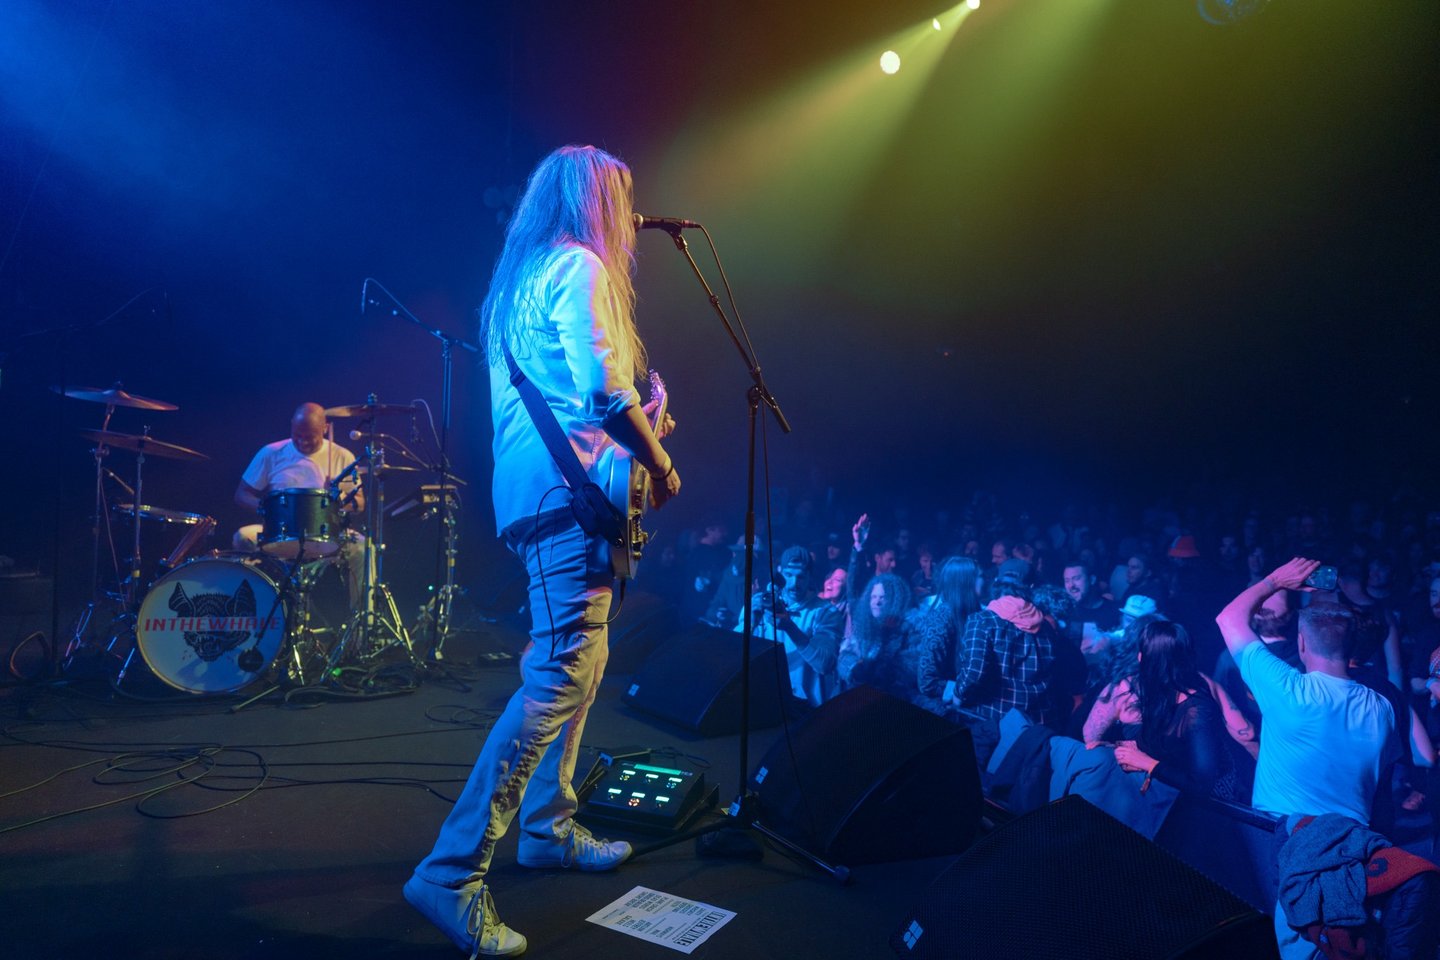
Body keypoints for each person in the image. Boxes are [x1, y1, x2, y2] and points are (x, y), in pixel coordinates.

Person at [404, 145, 681, 958]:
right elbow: (603, 393)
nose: (631, 218)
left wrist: (638, 430)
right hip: (566, 499)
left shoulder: (517, 285)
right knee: (561, 672)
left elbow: (566, 401)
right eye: (622, 200)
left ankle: (547, 828)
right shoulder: (580, 267)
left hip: (539, 493)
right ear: (596, 202)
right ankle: (450, 873)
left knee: (582, 664)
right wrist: (661, 461)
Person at [1216, 558, 1404, 960]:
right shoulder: (1382, 708)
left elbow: (1228, 618)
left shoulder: (1288, 690)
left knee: (1301, 947)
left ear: (1301, 644)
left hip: (1293, 845)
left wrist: (1275, 580)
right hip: (1354, 848)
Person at [1083, 620, 1251, 802]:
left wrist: (1146, 762)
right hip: (1163, 790)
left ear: (1141, 658)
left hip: (1208, 802)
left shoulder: (1196, 708)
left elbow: (1202, 785)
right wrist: (1116, 747)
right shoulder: (1138, 690)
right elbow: (1093, 739)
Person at [234, 402, 366, 606]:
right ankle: (255, 606)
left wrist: (337, 497)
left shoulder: (342, 456)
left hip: (326, 534)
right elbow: (242, 494)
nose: (303, 441)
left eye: (310, 436)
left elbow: (360, 503)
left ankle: (360, 619)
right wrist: (266, 508)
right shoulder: (272, 452)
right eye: (297, 435)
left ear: (325, 428)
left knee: (362, 547)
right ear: (291, 426)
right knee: (243, 537)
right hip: (281, 532)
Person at [742, 544, 845, 708]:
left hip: (805, 710)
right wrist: (751, 623)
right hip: (763, 701)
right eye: (788, 575)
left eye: (801, 577)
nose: (793, 583)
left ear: (810, 577)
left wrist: (790, 628)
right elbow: (735, 654)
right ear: (780, 572)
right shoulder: (762, 602)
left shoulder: (826, 612)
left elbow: (825, 664)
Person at [837, 572, 916, 702]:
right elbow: (845, 655)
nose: (877, 602)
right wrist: (854, 669)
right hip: (859, 698)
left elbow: (908, 671)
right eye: (873, 597)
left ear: (895, 600)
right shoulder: (864, 626)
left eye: (882, 598)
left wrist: (872, 668)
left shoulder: (909, 629)